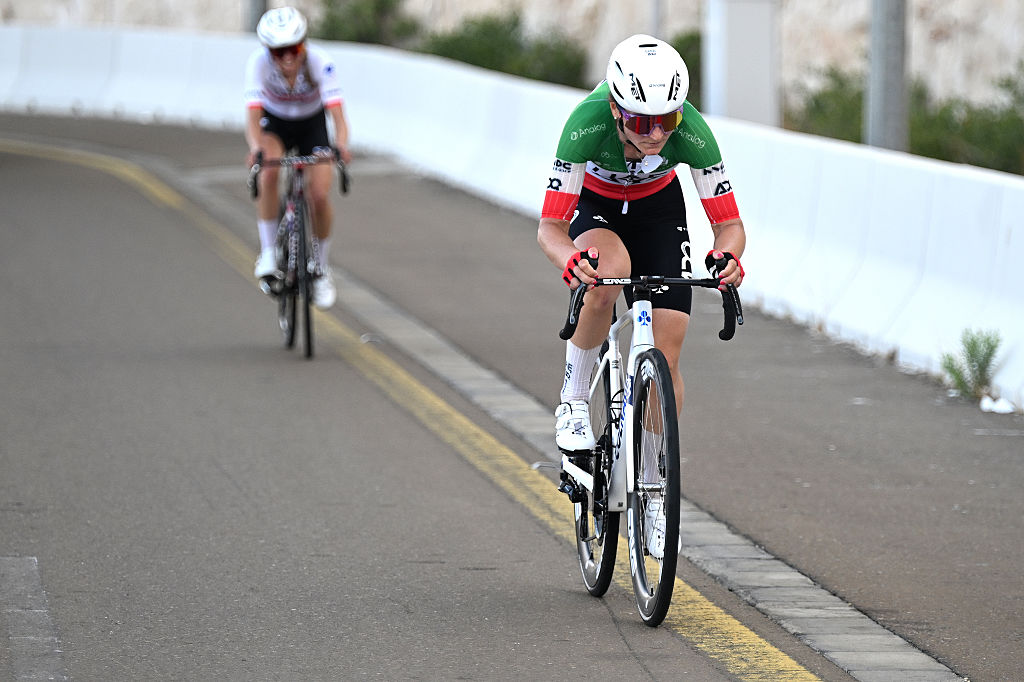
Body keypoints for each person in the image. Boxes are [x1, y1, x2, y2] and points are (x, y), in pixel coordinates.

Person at [537, 35, 746, 556]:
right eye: (640, 121)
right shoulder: (585, 123)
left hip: (659, 213)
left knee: (669, 350)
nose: (655, 134)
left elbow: (731, 225)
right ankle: (573, 401)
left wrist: (727, 258)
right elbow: (549, 227)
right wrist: (571, 262)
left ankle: (654, 488)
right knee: (609, 274)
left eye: (666, 122)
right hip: (598, 209)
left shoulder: (692, 131)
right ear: (614, 106)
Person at [244, 6, 352, 309]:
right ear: (268, 51)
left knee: (318, 195)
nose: (287, 58)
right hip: (275, 124)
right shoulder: (258, 64)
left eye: (294, 49)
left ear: (304, 44)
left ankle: (320, 269)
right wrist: (255, 148)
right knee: (268, 170)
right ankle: (267, 252)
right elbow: (252, 117)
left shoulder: (320, 63)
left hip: (311, 125)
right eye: (278, 52)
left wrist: (341, 146)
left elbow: (338, 117)